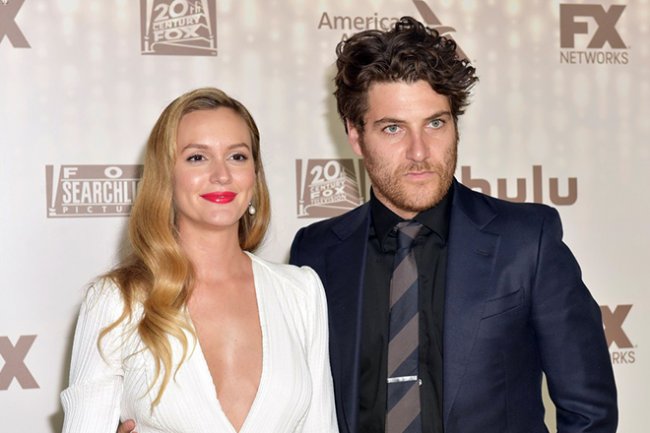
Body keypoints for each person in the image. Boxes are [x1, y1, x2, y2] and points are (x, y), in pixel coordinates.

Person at [289, 17, 617, 433]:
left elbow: (589, 413)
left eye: (435, 123)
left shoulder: (525, 242)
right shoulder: (316, 252)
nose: (419, 152)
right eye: (393, 128)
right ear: (356, 135)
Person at [61, 87, 338, 433]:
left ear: (254, 175)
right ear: (166, 176)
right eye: (197, 157)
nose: (222, 174)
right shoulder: (117, 300)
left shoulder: (301, 292)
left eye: (237, 156)